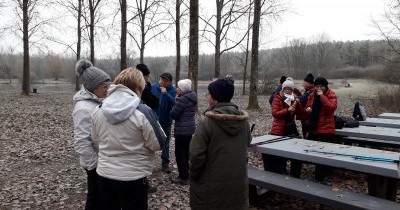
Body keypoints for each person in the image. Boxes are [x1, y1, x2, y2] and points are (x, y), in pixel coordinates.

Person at [91, 68, 162, 210]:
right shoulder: (143, 111)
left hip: (105, 175)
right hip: (133, 178)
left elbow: (95, 139)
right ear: (138, 88)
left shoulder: (98, 110)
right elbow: (157, 144)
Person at [189, 76, 251, 210]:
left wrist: (194, 175)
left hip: (210, 191)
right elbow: (247, 143)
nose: (207, 97)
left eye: (209, 94)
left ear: (215, 98)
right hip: (237, 189)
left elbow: (195, 156)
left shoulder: (207, 123)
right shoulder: (243, 122)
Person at [72, 59, 111, 210]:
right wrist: (95, 166)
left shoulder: (99, 101)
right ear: (92, 87)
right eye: (104, 86)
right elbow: (81, 142)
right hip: (95, 164)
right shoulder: (83, 109)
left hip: (104, 160)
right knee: (95, 199)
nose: (107, 89)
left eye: (108, 85)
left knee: (103, 198)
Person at [263, 78, 303, 177]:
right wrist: (287, 110)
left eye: (290, 89)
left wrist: (298, 104)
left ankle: (293, 175)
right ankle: (280, 172)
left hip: (290, 129)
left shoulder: (294, 98)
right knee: (279, 153)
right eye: (286, 88)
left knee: (294, 152)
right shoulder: (277, 98)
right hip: (279, 129)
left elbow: (300, 113)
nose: (288, 90)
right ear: (283, 88)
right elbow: (275, 113)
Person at [304, 76, 337, 181]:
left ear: (325, 86)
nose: (319, 88)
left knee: (322, 155)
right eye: (317, 86)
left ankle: (319, 177)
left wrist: (322, 96)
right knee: (308, 150)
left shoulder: (331, 94)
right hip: (314, 127)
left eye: (321, 86)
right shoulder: (312, 95)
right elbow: (307, 107)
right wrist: (308, 110)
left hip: (326, 129)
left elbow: (331, 108)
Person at [170, 79, 197, 185]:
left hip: (181, 130)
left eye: (178, 87)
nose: (177, 89)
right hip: (189, 129)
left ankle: (183, 177)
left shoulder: (182, 100)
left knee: (180, 153)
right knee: (186, 152)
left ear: (182, 90)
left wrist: (176, 101)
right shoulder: (192, 96)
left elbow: (173, 114)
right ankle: (187, 173)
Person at [151, 72, 176, 172]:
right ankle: (147, 163)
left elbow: (175, 103)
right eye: (161, 79)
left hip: (166, 120)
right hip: (153, 119)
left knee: (166, 142)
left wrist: (166, 94)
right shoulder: (153, 87)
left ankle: (165, 163)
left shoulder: (173, 90)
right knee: (149, 141)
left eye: (165, 81)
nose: (162, 82)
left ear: (170, 82)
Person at [298, 73, 315, 137]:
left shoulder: (311, 91)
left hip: (308, 116)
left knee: (307, 134)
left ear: (308, 83)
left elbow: (302, 99)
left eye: (304, 83)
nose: (303, 84)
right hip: (306, 116)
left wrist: (296, 97)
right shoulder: (308, 90)